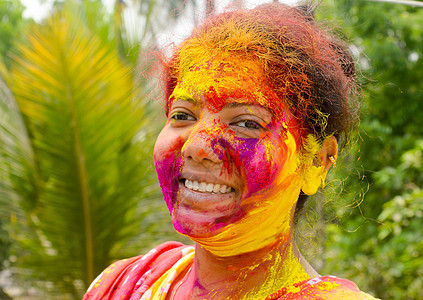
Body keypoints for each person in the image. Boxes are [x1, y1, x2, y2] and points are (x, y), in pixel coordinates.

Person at [84, 3, 378, 299]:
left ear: (317, 162)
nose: (197, 146)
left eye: (247, 122)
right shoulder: (122, 283)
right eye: (183, 115)